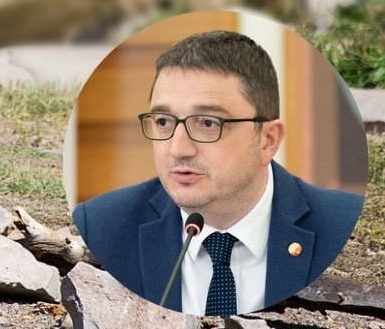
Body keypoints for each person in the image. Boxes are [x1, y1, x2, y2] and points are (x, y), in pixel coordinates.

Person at [73, 30, 363, 316]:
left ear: (267, 140)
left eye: (208, 123)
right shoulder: (103, 225)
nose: (178, 149)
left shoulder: (338, 223)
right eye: (163, 121)